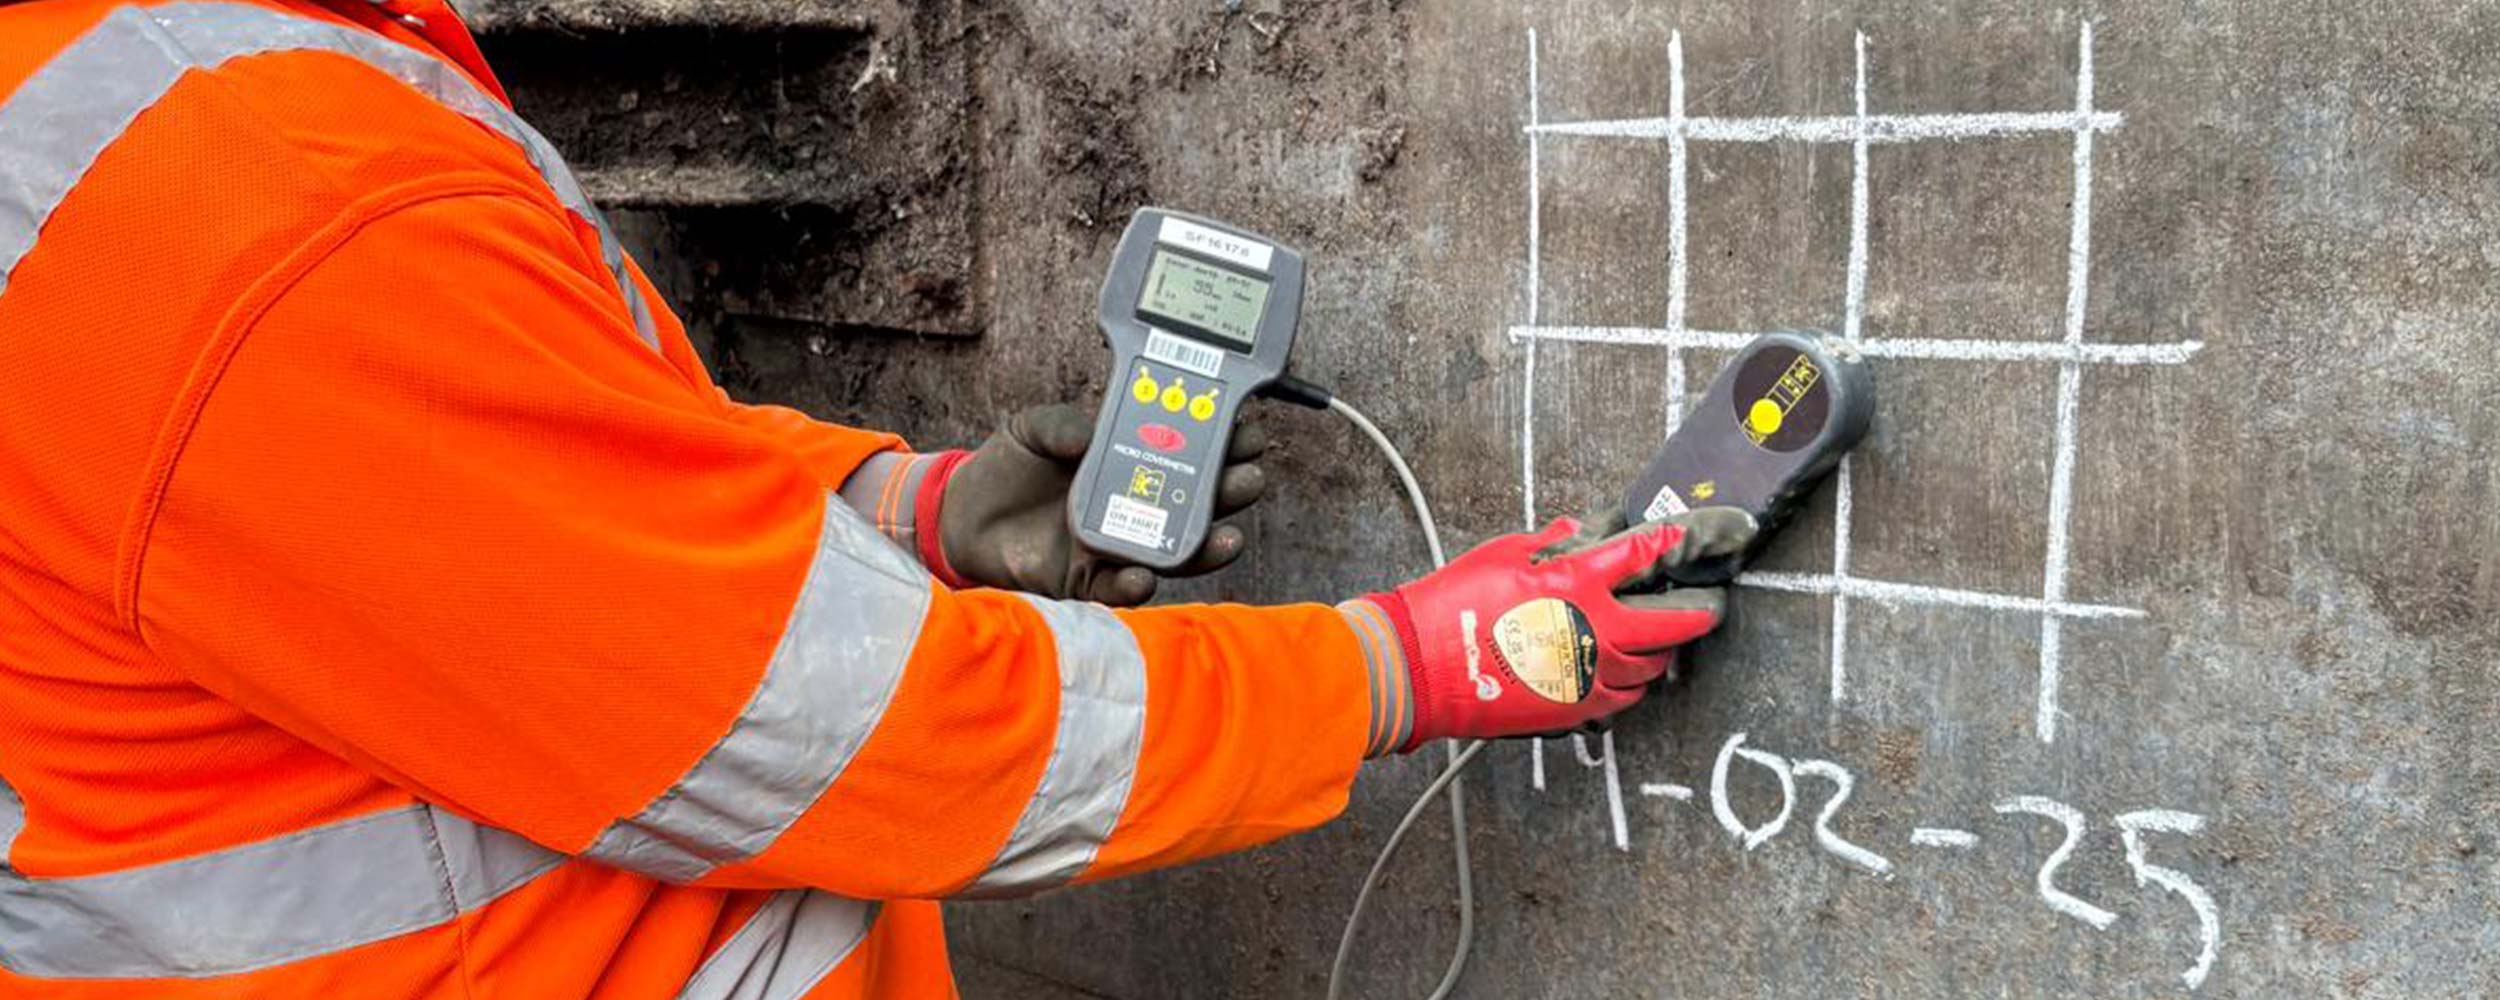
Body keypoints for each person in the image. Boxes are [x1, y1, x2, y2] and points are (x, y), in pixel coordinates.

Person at [0, 0, 1752, 996]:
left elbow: (512, 520)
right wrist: (1396, 668)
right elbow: (831, 727)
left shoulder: (121, 94)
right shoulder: (238, 191)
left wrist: (899, 513)